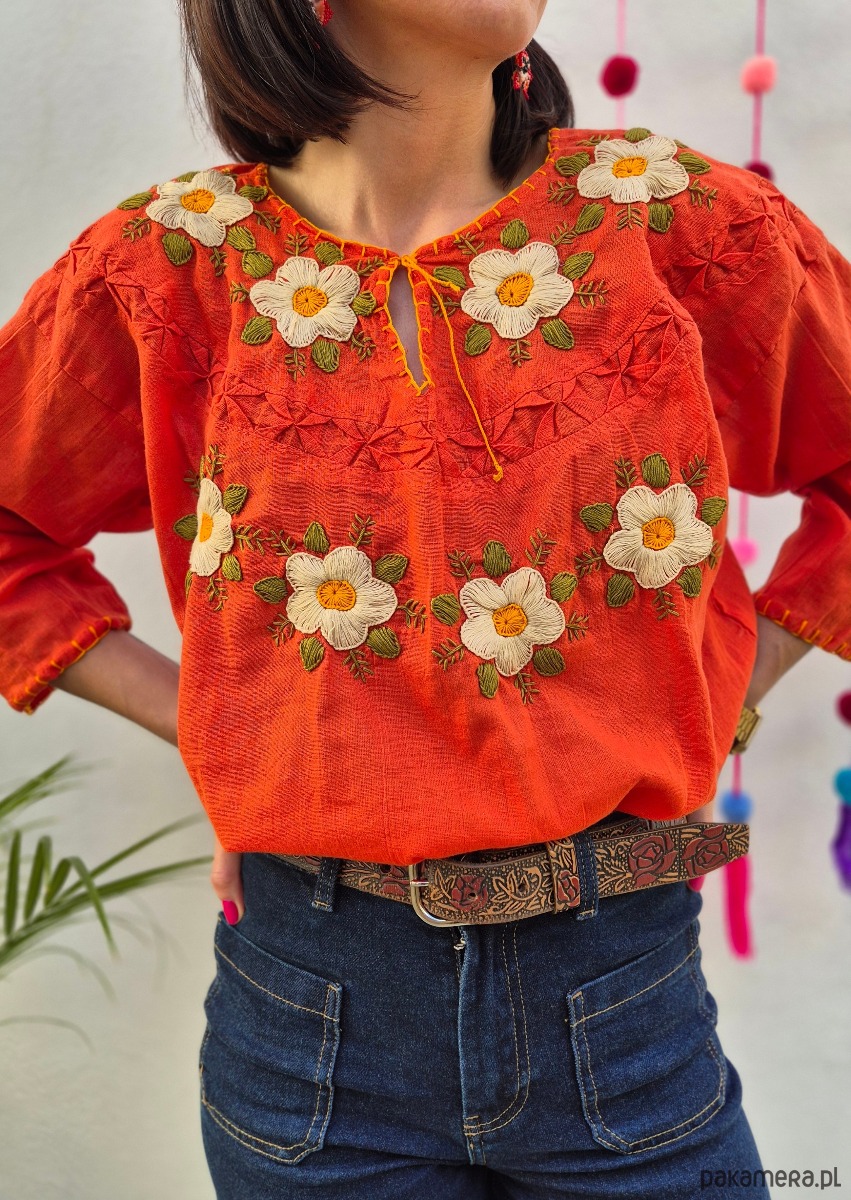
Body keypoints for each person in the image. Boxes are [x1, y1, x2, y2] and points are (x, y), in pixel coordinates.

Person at [1, 0, 850, 1195]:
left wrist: (726, 686)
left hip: (624, 1001)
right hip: (309, 1029)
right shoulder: (166, 268)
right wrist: (219, 726)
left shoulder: (670, 223)